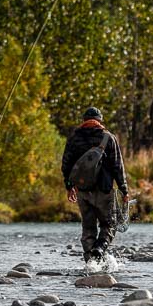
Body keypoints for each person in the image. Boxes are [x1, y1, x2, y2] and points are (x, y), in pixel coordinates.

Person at [61, 107, 130, 263]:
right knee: (109, 224)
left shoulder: (74, 138)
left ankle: (90, 263)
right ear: (100, 120)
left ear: (84, 120)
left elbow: (66, 165)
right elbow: (118, 167)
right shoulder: (108, 138)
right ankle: (100, 248)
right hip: (104, 190)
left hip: (83, 190)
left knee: (88, 228)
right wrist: (124, 190)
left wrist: (69, 187)